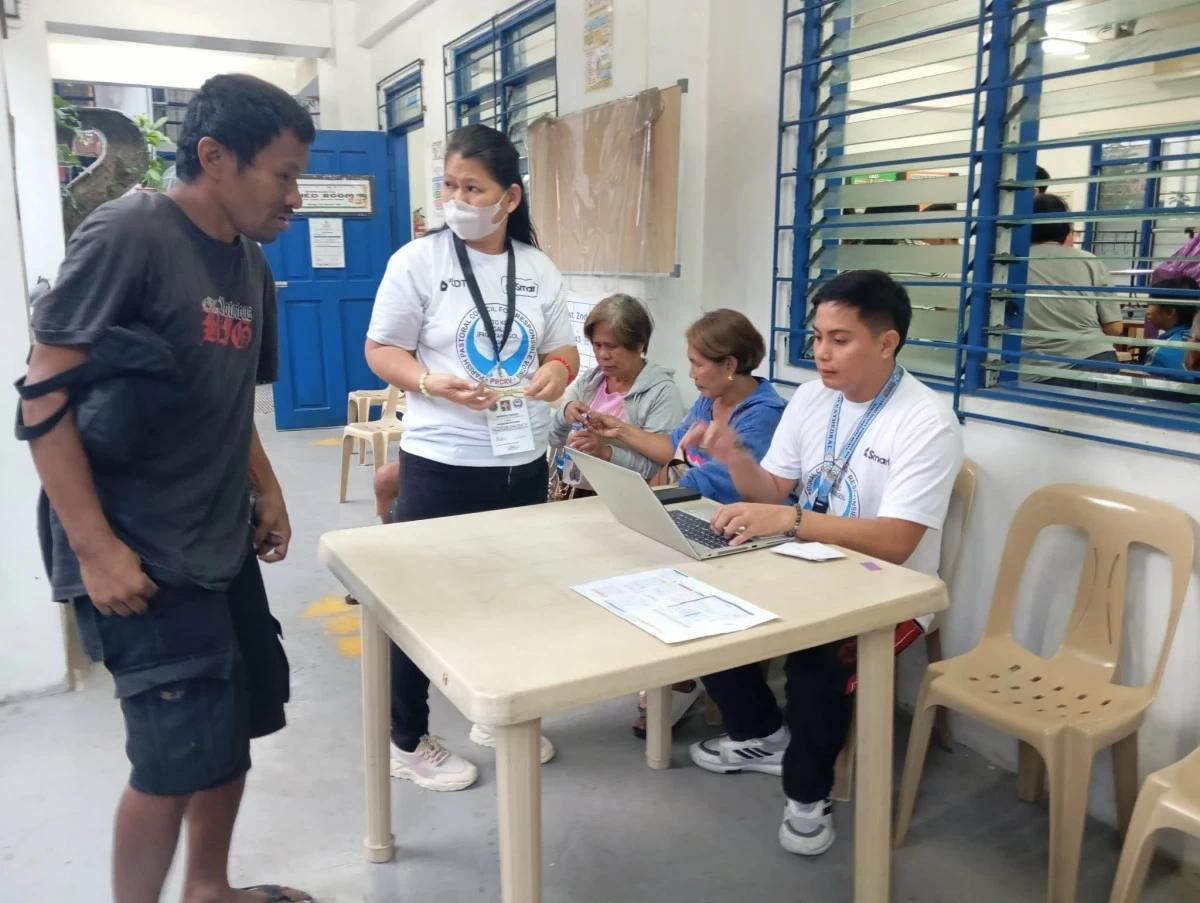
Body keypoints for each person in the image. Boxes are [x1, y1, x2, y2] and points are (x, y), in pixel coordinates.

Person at [19, 75, 314, 903]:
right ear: (214, 157)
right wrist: (95, 547)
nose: (296, 196)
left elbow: (231, 396)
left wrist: (267, 486)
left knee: (235, 725)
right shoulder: (130, 234)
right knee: (171, 759)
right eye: (283, 175)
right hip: (139, 550)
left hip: (217, 539)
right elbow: (43, 397)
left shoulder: (249, 262)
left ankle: (208, 889)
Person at [680, 270, 963, 858]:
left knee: (817, 662)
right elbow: (776, 486)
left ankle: (809, 793)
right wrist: (735, 460)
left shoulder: (926, 421)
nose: (821, 353)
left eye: (840, 339)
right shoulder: (812, 398)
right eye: (817, 337)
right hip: (805, 561)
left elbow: (897, 542)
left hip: (888, 590)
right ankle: (763, 735)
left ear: (887, 343)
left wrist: (791, 521)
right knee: (700, 598)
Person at [364, 123, 579, 791]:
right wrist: (429, 382)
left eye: (472, 187)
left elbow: (564, 349)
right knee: (420, 601)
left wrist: (555, 372)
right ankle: (407, 739)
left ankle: (498, 708)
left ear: (509, 197)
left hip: (520, 460)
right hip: (441, 460)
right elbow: (381, 349)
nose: (457, 198)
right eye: (450, 185)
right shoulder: (417, 262)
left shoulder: (537, 267)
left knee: (514, 596)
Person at [586, 308, 786, 505]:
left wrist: (642, 500)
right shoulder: (711, 398)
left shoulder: (764, 415)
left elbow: (711, 481)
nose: (691, 373)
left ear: (729, 366)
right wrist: (619, 430)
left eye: (697, 364)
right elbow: (676, 445)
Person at [548, 293, 684, 494]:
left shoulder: (661, 393)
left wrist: (606, 453)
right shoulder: (589, 382)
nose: (603, 355)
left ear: (638, 345)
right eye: (597, 345)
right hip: (577, 492)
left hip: (627, 499)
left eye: (612, 346)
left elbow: (657, 468)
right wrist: (565, 413)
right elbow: (553, 439)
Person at [1020, 193, 1124, 385]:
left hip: (1038, 370)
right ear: (1067, 229)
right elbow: (1115, 328)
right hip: (1096, 360)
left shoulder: (1010, 264)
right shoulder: (1090, 261)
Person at [1143, 276, 1200, 376]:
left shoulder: (1160, 354)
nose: (1147, 311)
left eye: (1151, 304)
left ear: (1170, 312)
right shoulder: (1194, 340)